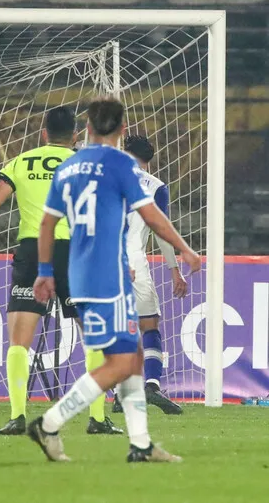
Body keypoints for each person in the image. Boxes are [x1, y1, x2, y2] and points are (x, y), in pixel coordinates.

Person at [27, 97, 199, 463]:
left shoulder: (69, 166)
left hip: (83, 271)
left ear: (86, 127)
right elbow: (151, 216)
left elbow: (46, 224)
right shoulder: (122, 163)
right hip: (108, 275)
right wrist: (185, 250)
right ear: (123, 129)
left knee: (133, 355)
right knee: (119, 364)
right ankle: (50, 423)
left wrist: (44, 272)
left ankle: (141, 444)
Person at [0, 106, 120, 435]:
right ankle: (97, 418)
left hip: (33, 250)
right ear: (75, 136)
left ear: (44, 134)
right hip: (77, 252)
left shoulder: (22, 162)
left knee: (19, 340)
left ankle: (17, 416)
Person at [119, 135, 186, 415]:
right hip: (135, 261)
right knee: (149, 325)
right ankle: (151, 385)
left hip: (102, 261)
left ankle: (120, 391)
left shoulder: (104, 178)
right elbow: (162, 232)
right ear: (149, 159)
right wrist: (174, 271)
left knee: (116, 329)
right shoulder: (156, 187)